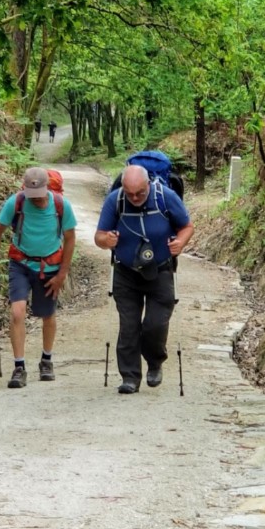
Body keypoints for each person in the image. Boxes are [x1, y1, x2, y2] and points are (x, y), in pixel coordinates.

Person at [94, 164, 193, 394]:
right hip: (126, 272)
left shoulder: (166, 198)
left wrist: (181, 242)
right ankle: (130, 377)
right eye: (130, 193)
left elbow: (186, 226)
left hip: (160, 270)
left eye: (139, 193)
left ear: (148, 185)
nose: (135, 197)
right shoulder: (115, 201)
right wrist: (105, 240)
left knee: (155, 324)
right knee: (128, 326)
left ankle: (155, 361)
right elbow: (99, 235)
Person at [0, 166, 76, 388]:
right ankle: (19, 367)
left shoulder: (61, 205)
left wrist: (62, 274)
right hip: (21, 264)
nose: (35, 200)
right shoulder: (15, 202)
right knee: (17, 312)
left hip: (50, 266)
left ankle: (46, 360)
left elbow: (70, 239)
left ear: (47, 188)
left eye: (39, 195)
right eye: (31, 196)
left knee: (48, 314)